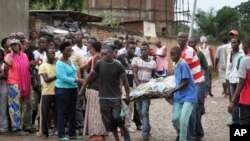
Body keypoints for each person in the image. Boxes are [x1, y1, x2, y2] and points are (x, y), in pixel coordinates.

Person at [79, 45, 131, 141]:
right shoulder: (99, 64)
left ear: (111, 54)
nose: (102, 57)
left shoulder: (118, 66)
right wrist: (82, 89)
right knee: (109, 122)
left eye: (105, 55)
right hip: (103, 98)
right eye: (101, 54)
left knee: (116, 117)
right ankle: (117, 139)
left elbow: (125, 82)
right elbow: (90, 76)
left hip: (115, 97)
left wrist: (128, 95)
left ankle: (123, 128)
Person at [178, 32, 205, 141]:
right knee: (195, 110)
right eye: (179, 37)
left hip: (196, 83)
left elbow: (183, 68)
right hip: (191, 83)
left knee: (191, 110)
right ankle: (198, 134)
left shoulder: (189, 51)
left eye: (183, 37)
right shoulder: (179, 51)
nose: (180, 39)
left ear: (186, 40)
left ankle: (191, 136)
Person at [165, 46, 196, 141]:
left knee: (183, 119)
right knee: (175, 119)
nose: (172, 57)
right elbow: (177, 80)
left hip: (188, 95)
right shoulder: (175, 65)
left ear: (180, 55)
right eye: (171, 55)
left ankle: (183, 138)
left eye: (174, 55)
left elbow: (185, 82)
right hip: (179, 96)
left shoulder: (183, 64)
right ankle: (179, 134)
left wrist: (173, 91)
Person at [55, 41, 84, 140]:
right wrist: (77, 80)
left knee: (72, 111)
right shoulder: (59, 63)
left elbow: (74, 72)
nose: (70, 52)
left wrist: (76, 80)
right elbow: (62, 77)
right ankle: (61, 134)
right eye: (68, 50)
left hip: (72, 89)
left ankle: (72, 134)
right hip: (62, 90)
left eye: (71, 50)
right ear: (62, 51)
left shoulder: (70, 61)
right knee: (62, 111)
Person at [79, 41, 107, 140]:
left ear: (93, 49)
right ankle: (100, 133)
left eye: (90, 48)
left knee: (95, 112)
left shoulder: (96, 59)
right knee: (99, 111)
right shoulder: (98, 59)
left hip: (95, 89)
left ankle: (97, 134)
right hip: (101, 89)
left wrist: (83, 86)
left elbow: (91, 75)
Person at [4, 39, 31, 136]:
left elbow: (27, 67)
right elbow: (7, 64)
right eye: (12, 45)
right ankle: (15, 128)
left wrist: (32, 64)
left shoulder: (24, 55)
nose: (14, 46)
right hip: (14, 83)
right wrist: (11, 53)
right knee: (14, 106)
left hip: (25, 84)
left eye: (16, 44)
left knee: (23, 106)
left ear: (20, 45)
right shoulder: (9, 56)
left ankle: (21, 126)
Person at [131, 42, 156, 141]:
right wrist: (140, 86)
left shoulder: (153, 62)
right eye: (141, 50)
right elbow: (134, 74)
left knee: (145, 111)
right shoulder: (135, 60)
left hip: (147, 91)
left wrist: (151, 85)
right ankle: (147, 127)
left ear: (148, 50)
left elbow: (154, 75)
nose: (143, 51)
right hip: (137, 90)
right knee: (139, 110)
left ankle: (145, 133)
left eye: (145, 50)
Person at [228, 37, 250, 125]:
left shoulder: (245, 60)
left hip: (247, 100)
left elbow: (241, 83)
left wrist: (232, 101)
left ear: (246, 47)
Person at [118, 41, 137, 132]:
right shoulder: (121, 57)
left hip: (131, 84)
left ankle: (127, 124)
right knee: (121, 104)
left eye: (134, 49)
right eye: (131, 48)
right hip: (122, 84)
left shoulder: (136, 58)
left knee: (130, 105)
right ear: (127, 48)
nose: (132, 50)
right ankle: (120, 124)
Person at [38, 47, 57, 139]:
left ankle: (57, 130)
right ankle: (45, 133)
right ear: (47, 54)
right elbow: (46, 79)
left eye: (53, 53)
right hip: (47, 92)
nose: (52, 55)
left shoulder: (57, 65)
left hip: (57, 92)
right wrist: (57, 75)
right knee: (45, 113)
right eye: (50, 53)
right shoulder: (43, 66)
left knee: (57, 112)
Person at [226, 37, 244, 125]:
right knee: (234, 100)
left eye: (234, 42)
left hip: (240, 80)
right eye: (232, 43)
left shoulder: (243, 53)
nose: (233, 44)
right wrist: (231, 57)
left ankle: (238, 120)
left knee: (240, 101)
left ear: (238, 44)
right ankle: (235, 120)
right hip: (232, 79)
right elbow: (228, 67)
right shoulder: (230, 54)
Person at [0, 49, 8, 133]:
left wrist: (3, 75)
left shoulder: (4, 65)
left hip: (3, 88)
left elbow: (7, 76)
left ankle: (3, 126)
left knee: (3, 108)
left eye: (0, 54)